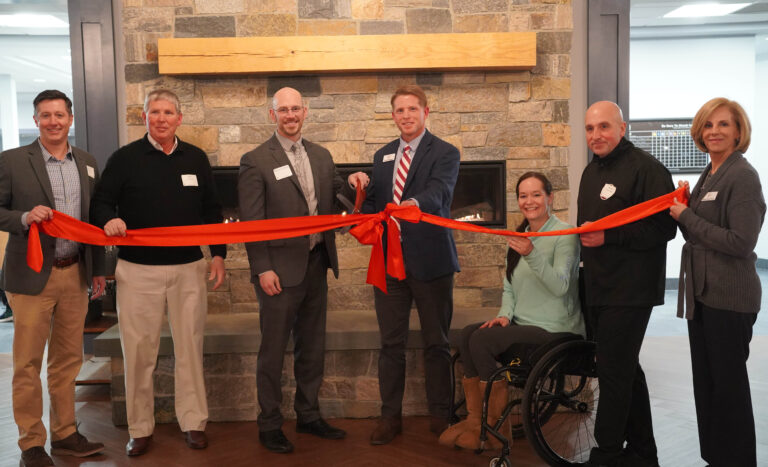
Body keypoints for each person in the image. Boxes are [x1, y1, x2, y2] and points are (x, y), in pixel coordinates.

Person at [91, 89, 226, 457]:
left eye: (168, 112)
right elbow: (100, 202)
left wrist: (218, 256)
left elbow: (213, 212)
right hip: (137, 270)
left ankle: (194, 422)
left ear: (179, 118)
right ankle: (140, 427)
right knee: (137, 352)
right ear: (144, 117)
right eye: (155, 112)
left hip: (188, 270)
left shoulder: (196, 158)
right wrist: (109, 218)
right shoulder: (124, 159)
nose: (161, 118)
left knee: (189, 347)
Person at [238, 87, 368, 454]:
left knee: (313, 346)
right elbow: (251, 222)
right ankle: (269, 423)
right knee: (274, 350)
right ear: (272, 114)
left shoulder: (322, 156)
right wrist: (262, 268)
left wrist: (357, 183)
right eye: (284, 110)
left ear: (306, 112)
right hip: (277, 271)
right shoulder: (255, 160)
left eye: (296, 108)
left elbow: (339, 201)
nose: (290, 115)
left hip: (316, 264)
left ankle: (308, 416)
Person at [439, 172, 585, 450]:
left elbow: (561, 288)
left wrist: (532, 254)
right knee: (469, 333)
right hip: (522, 324)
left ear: (550, 198)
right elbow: (509, 286)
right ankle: (475, 420)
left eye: (536, 194)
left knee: (481, 340)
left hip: (555, 330)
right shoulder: (519, 236)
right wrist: (505, 315)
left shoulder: (564, 236)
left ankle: (493, 426)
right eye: (523, 195)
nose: (529, 201)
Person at [0, 90, 105, 467]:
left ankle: (64, 435)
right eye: (45, 116)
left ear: (70, 119)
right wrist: (24, 218)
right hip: (30, 277)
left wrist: (98, 272)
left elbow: (91, 221)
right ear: (36, 121)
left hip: (75, 273)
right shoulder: (12, 161)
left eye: (59, 115)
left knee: (67, 360)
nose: (53, 122)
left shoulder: (88, 163)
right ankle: (31, 443)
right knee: (28, 363)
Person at [578, 101, 676, 467]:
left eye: (603, 127)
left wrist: (610, 237)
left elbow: (665, 228)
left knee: (614, 372)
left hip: (631, 290)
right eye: (589, 129)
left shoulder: (647, 170)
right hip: (599, 287)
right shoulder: (591, 172)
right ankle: (642, 453)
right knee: (625, 370)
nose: (596, 135)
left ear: (622, 127)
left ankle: (605, 454)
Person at [363, 84, 461, 445]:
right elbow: (374, 201)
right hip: (390, 265)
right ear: (393, 116)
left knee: (437, 343)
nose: (406, 115)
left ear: (426, 111)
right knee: (390, 345)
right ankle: (390, 418)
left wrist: (412, 205)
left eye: (412, 109)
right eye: (399, 110)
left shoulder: (446, 153)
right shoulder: (383, 155)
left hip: (431, 262)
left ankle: (441, 414)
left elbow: (440, 193)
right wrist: (358, 187)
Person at [669, 98, 764, 467]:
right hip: (703, 297)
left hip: (730, 298)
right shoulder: (709, 173)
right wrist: (683, 209)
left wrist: (688, 216)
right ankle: (716, 458)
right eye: (708, 125)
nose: (715, 132)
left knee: (729, 390)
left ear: (739, 132)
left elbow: (741, 242)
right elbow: (699, 235)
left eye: (724, 125)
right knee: (707, 385)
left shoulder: (742, 175)